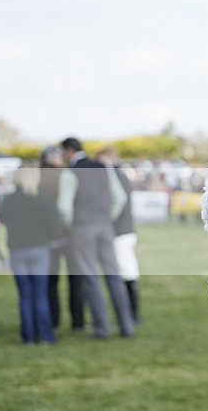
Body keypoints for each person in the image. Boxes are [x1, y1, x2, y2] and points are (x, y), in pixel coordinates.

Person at [58, 137, 135, 338]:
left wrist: (71, 225)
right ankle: (127, 326)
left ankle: (103, 329)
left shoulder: (70, 173)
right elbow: (119, 197)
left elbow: (64, 208)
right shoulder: (103, 167)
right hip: (105, 226)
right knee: (114, 276)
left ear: (68, 151)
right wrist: (107, 218)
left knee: (91, 278)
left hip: (82, 227)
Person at [0, 163, 60, 344]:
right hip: (39, 249)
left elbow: (3, 218)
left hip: (18, 250)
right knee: (40, 294)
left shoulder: (10, 200)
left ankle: (28, 337)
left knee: (25, 295)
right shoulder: (42, 199)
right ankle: (46, 336)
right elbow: (52, 224)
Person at [40, 145, 86, 331]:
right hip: (68, 233)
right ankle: (78, 323)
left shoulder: (38, 178)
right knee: (75, 280)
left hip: (49, 235)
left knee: (51, 281)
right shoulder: (66, 176)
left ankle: (54, 322)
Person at [96, 147, 141, 324]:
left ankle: (131, 315)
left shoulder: (113, 174)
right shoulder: (120, 174)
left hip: (120, 231)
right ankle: (129, 314)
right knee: (126, 271)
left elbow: (118, 201)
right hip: (124, 230)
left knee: (126, 272)